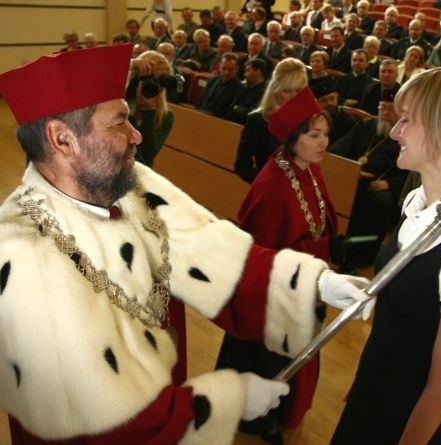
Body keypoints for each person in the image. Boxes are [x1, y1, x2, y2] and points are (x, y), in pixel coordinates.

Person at [0, 43, 371, 445]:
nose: (137, 134)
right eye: (118, 122)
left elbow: (216, 253)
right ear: (63, 139)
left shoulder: (129, 187)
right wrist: (225, 401)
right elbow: (106, 414)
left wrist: (315, 283)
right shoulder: (23, 257)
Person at [331, 65, 441, 445]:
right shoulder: (415, 202)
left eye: (407, 120)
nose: (395, 132)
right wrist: (364, 385)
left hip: (410, 421)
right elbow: (395, 325)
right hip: (373, 395)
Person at [217, 87, 353, 443]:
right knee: (265, 359)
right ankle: (259, 419)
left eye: (325, 133)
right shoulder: (273, 186)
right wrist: (325, 248)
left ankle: (275, 412)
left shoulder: (305, 167)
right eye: (314, 135)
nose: (324, 141)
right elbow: (268, 258)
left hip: (302, 287)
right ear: (293, 138)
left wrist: (329, 249)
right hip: (273, 300)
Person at [329, 97, 409, 268]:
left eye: (391, 110)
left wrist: (389, 184)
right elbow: (343, 145)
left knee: (380, 202)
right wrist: (338, 161)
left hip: (378, 186)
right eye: (383, 108)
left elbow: (411, 174)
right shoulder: (366, 126)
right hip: (353, 178)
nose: (385, 114)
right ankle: (332, 245)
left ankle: (360, 256)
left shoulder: (406, 136)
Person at [235, 57, 308, 183]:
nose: (293, 97)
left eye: (298, 91)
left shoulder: (307, 121)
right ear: (276, 89)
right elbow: (242, 165)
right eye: (287, 91)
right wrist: (266, 184)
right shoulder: (257, 120)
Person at [126, 50, 174, 168]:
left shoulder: (166, 116)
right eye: (150, 79)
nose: (155, 87)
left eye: (161, 81)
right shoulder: (118, 104)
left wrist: (148, 111)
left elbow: (148, 155)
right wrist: (130, 65)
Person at [196, 53, 243, 118]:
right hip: (201, 115)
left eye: (230, 69)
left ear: (236, 69)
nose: (226, 72)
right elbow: (202, 100)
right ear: (220, 66)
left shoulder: (240, 87)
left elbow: (231, 111)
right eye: (224, 68)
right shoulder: (212, 80)